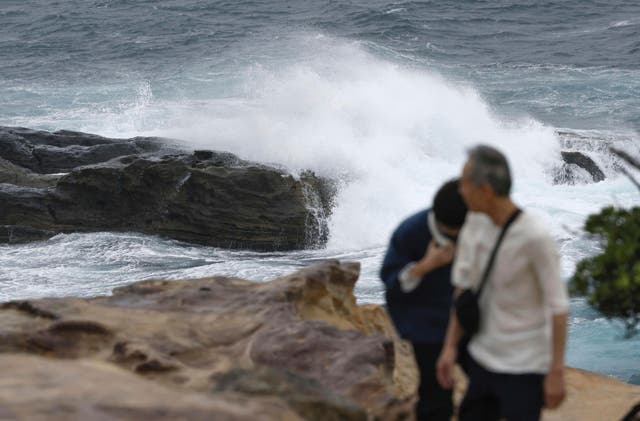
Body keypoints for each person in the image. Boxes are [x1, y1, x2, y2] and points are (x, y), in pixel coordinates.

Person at [436, 145, 569, 421]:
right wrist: (449, 347)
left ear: (485, 190)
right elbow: (463, 290)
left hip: (525, 368)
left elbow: (558, 307)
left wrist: (556, 372)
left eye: (465, 184)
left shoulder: (534, 237)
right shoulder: (473, 224)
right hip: (482, 360)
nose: (460, 190)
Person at [380, 179, 468, 421]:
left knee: (489, 380)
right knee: (437, 394)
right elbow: (392, 283)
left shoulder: (474, 225)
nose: (457, 236)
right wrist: (427, 265)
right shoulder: (411, 231)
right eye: (451, 232)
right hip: (424, 322)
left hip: (466, 316)